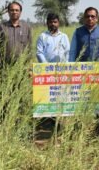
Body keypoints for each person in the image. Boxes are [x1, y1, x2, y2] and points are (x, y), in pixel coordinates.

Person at [69, 7, 99, 137]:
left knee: (98, 102)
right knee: (79, 101)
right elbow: (72, 53)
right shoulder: (78, 32)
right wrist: (71, 71)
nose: (90, 19)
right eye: (87, 16)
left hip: (98, 74)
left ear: (97, 18)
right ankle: (78, 129)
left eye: (93, 16)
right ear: (84, 18)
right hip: (80, 74)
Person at [35, 13, 70, 141]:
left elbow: (67, 53)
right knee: (47, 96)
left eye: (55, 22)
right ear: (47, 23)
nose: (53, 24)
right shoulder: (43, 36)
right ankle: (47, 120)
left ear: (58, 23)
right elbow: (39, 52)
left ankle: (58, 121)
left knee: (59, 96)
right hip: (46, 73)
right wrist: (47, 68)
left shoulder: (64, 37)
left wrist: (63, 67)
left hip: (61, 72)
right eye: (50, 22)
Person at [0, 1, 32, 67]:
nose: (14, 12)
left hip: (22, 66)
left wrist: (29, 66)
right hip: (4, 66)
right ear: (8, 12)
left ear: (20, 12)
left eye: (17, 10)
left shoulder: (26, 27)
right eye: (12, 10)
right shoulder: (1, 27)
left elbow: (29, 48)